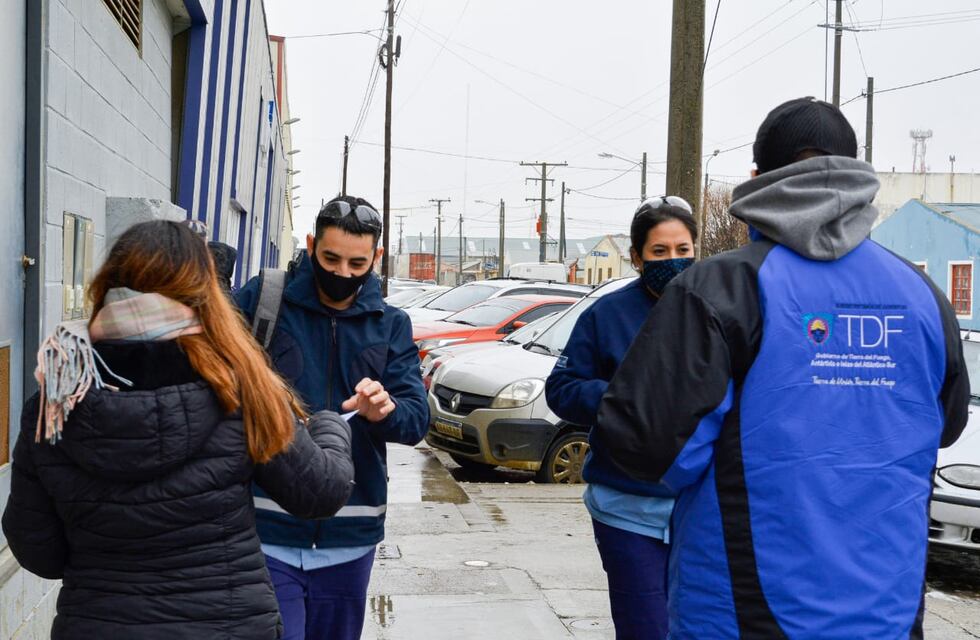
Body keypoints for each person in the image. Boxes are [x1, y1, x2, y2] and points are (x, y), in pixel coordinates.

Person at [596, 97, 970, 639]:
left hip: (742, 615)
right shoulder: (924, 297)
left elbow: (643, 448)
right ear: (856, 174)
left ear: (756, 178)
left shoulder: (718, 290)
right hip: (886, 616)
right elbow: (946, 425)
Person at [1, 220, 356, 639]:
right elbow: (320, 491)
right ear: (206, 296)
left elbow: (37, 551)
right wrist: (329, 424)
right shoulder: (240, 390)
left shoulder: (55, 402)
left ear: (108, 284)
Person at [235, 195, 429, 640]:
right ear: (310, 244)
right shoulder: (264, 301)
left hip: (351, 534)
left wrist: (385, 410)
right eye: (331, 258)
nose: (342, 273)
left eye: (357, 264)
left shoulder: (390, 323)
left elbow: (417, 421)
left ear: (376, 257)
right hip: (265, 527)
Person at [545, 196, 697, 640]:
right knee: (646, 629)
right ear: (636, 257)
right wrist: (621, 398)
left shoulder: (716, 308)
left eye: (683, 250)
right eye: (659, 252)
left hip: (701, 509)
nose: (673, 261)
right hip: (627, 508)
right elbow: (562, 389)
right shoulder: (605, 316)